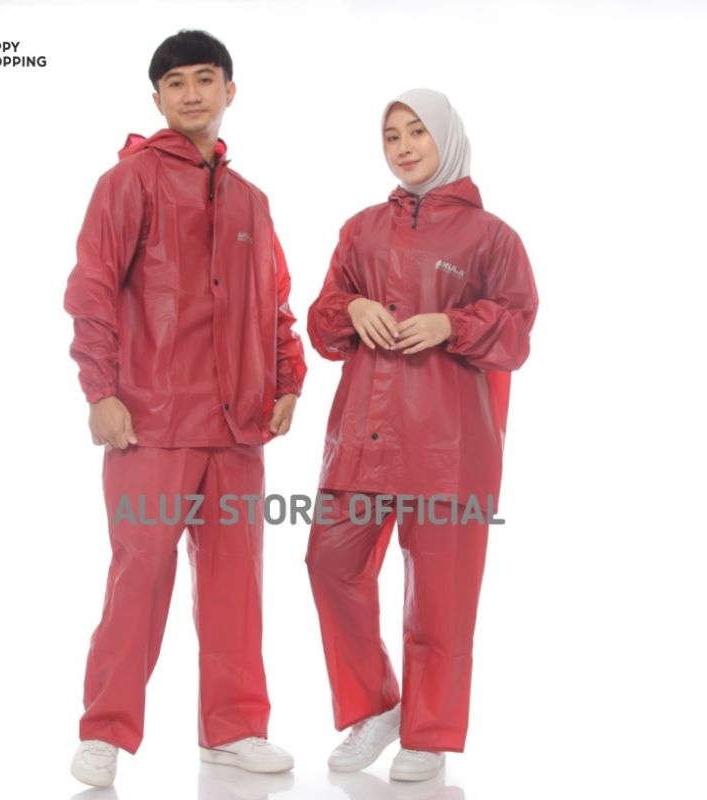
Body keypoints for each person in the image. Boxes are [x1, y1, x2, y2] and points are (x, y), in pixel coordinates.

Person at [63, 29, 307, 788]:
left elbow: (274, 302)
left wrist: (287, 380)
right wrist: (101, 391)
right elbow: (93, 288)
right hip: (152, 422)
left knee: (237, 583)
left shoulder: (251, 200)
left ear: (230, 91)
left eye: (206, 79)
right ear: (158, 98)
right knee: (139, 577)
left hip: (237, 428)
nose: (192, 93)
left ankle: (234, 730)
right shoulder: (128, 182)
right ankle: (104, 731)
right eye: (176, 83)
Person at [305, 89, 539, 782]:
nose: (404, 147)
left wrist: (451, 324)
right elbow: (323, 323)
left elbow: (517, 330)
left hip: (448, 445)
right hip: (363, 435)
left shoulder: (492, 237)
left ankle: (428, 732)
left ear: (446, 137)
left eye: (417, 132)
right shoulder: (361, 230)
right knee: (329, 564)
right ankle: (377, 707)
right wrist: (353, 306)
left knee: (441, 594)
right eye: (392, 136)